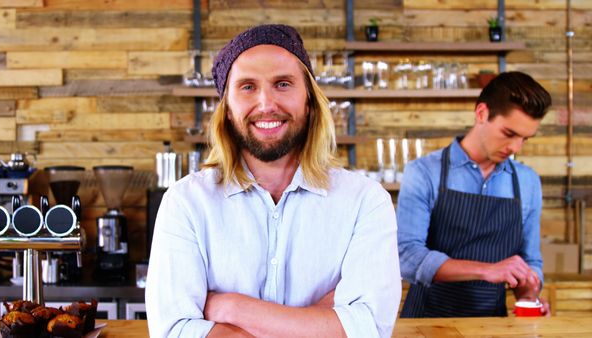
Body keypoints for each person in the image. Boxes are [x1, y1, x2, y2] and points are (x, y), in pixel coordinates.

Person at [145, 24, 401, 337]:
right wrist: (320, 322)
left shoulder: (365, 201)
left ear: (308, 100)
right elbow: (174, 331)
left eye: (282, 84)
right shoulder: (186, 202)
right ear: (226, 108)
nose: (266, 104)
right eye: (248, 87)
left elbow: (369, 327)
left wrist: (231, 308)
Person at [397, 71, 552, 317]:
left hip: (492, 326)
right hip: (427, 323)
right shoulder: (424, 172)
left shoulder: (527, 181)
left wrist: (530, 292)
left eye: (525, 139)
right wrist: (486, 270)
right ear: (482, 114)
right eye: (509, 133)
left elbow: (530, 260)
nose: (515, 148)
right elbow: (406, 256)